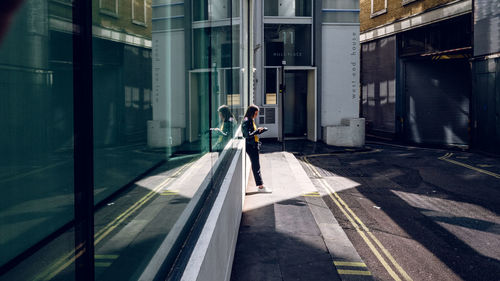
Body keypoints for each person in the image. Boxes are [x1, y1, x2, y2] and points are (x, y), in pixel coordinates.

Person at [242, 105, 271, 193]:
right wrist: (257, 131)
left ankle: (260, 186)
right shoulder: (247, 121)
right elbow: (246, 135)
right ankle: (261, 187)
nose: (256, 115)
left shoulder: (250, 120)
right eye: (256, 113)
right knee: (256, 166)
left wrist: (258, 130)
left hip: (253, 145)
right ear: (252, 112)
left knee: (256, 165)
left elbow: (251, 133)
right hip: (251, 146)